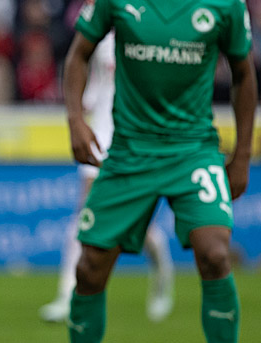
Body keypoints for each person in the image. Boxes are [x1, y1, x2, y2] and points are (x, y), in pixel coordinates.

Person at [39, 0, 257, 343]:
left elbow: (246, 74)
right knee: (90, 270)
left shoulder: (224, 1)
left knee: (214, 253)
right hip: (130, 151)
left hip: (194, 150)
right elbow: (78, 56)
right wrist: (74, 118)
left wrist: (243, 152)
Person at [39, 30, 175, 324]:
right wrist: (83, 106)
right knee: (85, 211)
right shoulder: (102, 34)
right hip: (102, 130)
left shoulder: (155, 33)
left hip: (137, 136)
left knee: (139, 223)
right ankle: (67, 294)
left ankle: (162, 275)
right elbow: (94, 77)